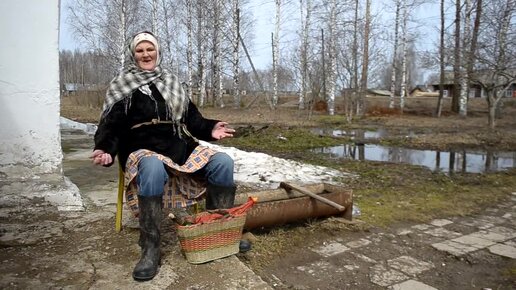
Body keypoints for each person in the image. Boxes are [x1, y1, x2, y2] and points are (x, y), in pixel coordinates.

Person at [91, 31, 247, 281]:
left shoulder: (171, 82)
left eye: (149, 49)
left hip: (177, 146)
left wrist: (211, 128)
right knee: (152, 166)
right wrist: (104, 148)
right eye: (140, 51)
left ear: (158, 52)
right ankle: (150, 247)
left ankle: (217, 231)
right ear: (134, 55)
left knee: (222, 162)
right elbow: (111, 125)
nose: (145, 54)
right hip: (141, 147)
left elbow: (192, 119)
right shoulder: (123, 85)